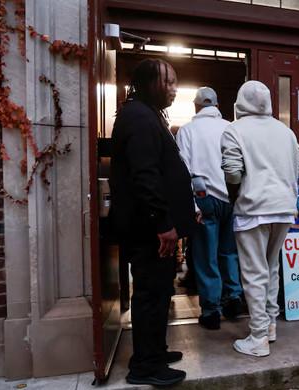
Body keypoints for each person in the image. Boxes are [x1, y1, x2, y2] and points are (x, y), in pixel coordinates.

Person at [109, 58, 196, 387]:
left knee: (160, 293)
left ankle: (155, 351)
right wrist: (163, 222)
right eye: (168, 82)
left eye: (175, 82)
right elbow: (145, 176)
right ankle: (145, 366)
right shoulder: (139, 117)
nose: (173, 88)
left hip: (154, 228)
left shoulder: (147, 115)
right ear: (147, 83)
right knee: (150, 295)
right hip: (150, 231)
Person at [221, 80, 299, 357]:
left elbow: (232, 173)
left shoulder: (234, 130)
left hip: (253, 209)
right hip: (284, 208)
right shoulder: (286, 132)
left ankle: (257, 337)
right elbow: (298, 167)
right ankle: (269, 326)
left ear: (240, 101)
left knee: (254, 273)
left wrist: (236, 197)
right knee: (271, 268)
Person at [176, 87, 244, 329]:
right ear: (217, 105)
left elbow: (183, 170)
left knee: (206, 256)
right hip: (232, 198)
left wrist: (192, 205)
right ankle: (234, 298)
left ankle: (211, 311)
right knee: (229, 252)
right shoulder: (232, 128)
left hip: (204, 198)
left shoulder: (187, 131)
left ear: (196, 107)